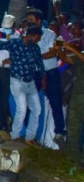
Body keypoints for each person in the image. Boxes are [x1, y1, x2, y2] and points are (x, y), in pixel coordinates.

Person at [0, 26, 45, 143]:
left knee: (37, 109)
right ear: (31, 36)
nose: (38, 41)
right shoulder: (15, 43)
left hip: (30, 82)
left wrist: (43, 77)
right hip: (17, 80)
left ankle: (29, 137)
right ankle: (15, 135)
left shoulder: (35, 47)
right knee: (21, 109)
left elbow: (39, 63)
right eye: (38, 38)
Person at [27, 8, 67, 145]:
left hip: (50, 73)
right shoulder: (28, 35)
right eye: (28, 20)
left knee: (55, 102)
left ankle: (59, 132)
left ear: (39, 21)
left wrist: (37, 56)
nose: (29, 23)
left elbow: (52, 53)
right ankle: (30, 133)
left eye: (32, 20)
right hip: (35, 73)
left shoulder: (50, 34)